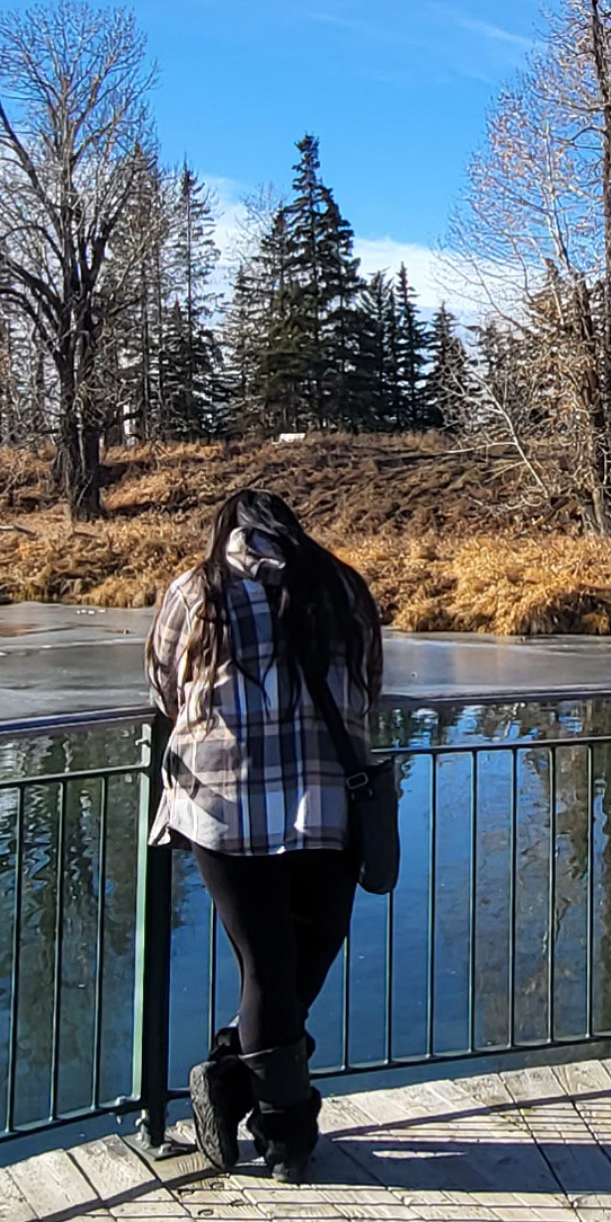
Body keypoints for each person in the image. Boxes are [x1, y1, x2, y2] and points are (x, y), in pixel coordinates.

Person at [146, 489, 383, 1183]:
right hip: (327, 802)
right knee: (299, 960)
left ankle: (234, 1082)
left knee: (267, 966)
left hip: (222, 807)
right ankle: (285, 1133)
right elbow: (370, 684)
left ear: (228, 534)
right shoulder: (342, 588)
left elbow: (163, 685)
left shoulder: (196, 591)